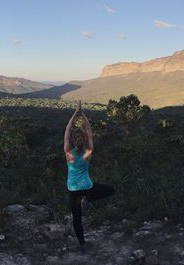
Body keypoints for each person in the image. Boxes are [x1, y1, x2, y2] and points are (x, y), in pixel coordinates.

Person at [64, 100, 114, 253]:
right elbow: (89, 130)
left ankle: (82, 245)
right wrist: (83, 114)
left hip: (73, 189)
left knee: (77, 219)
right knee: (110, 190)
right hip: (87, 187)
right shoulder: (88, 152)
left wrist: (75, 113)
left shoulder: (68, 153)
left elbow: (67, 129)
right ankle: (88, 199)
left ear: (73, 141)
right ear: (84, 140)